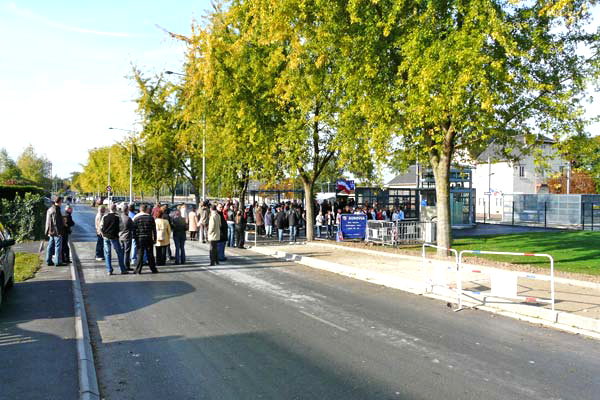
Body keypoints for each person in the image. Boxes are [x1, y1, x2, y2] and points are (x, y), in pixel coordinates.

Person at [100, 203, 127, 275]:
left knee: (107, 253)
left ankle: (109, 270)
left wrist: (103, 234)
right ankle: (122, 269)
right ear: (115, 209)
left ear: (109, 208)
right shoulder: (117, 217)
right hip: (114, 237)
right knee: (119, 253)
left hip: (106, 236)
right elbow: (122, 227)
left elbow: (101, 226)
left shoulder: (105, 216)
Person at [133, 204, 158, 274]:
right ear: (146, 209)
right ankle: (153, 269)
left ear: (140, 209)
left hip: (140, 238)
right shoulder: (150, 218)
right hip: (148, 237)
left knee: (140, 254)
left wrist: (135, 238)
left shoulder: (136, 218)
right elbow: (154, 230)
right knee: (150, 254)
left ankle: (138, 270)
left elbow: (134, 230)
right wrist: (155, 238)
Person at [45, 196, 65, 266]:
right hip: (56, 231)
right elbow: (56, 222)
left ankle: (48, 260)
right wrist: (59, 232)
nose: (61, 203)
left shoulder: (50, 209)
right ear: (59, 202)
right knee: (58, 247)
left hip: (50, 231)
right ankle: (58, 261)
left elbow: (48, 221)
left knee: (50, 246)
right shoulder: (57, 210)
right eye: (61, 202)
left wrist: (47, 231)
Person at [119, 204, 134, 271]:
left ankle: (122, 265)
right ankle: (126, 266)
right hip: (127, 237)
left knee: (122, 252)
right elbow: (132, 227)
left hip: (120, 236)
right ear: (127, 210)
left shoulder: (119, 218)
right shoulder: (128, 219)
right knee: (127, 252)